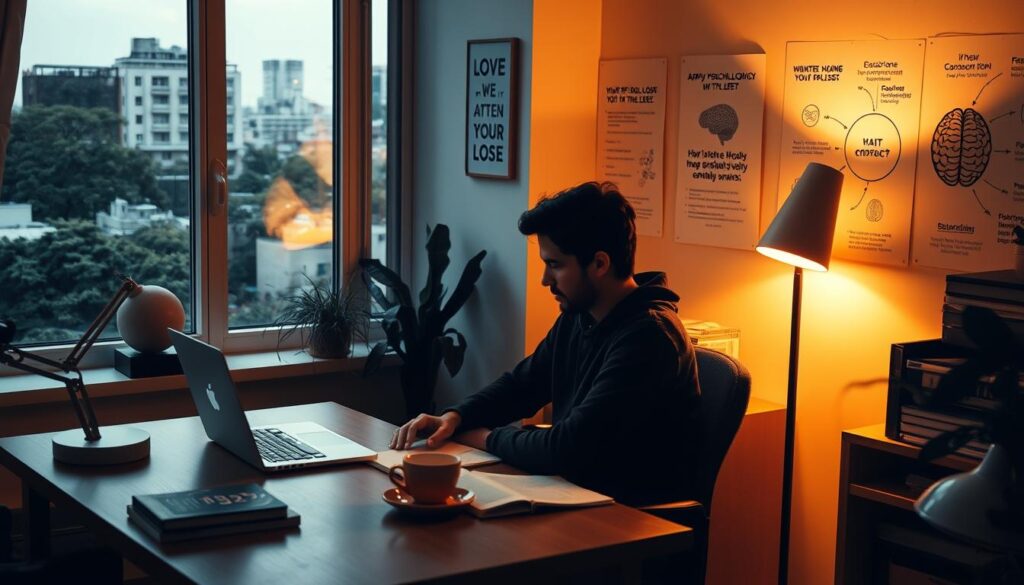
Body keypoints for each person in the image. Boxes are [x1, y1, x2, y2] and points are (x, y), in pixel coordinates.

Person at [390, 181, 701, 506]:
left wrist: (484, 438)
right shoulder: (581, 316)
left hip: (631, 517)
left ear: (599, 264)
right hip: (576, 496)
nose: (544, 279)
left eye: (555, 265)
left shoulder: (650, 338)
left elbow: (567, 449)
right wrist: (455, 417)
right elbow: (522, 385)